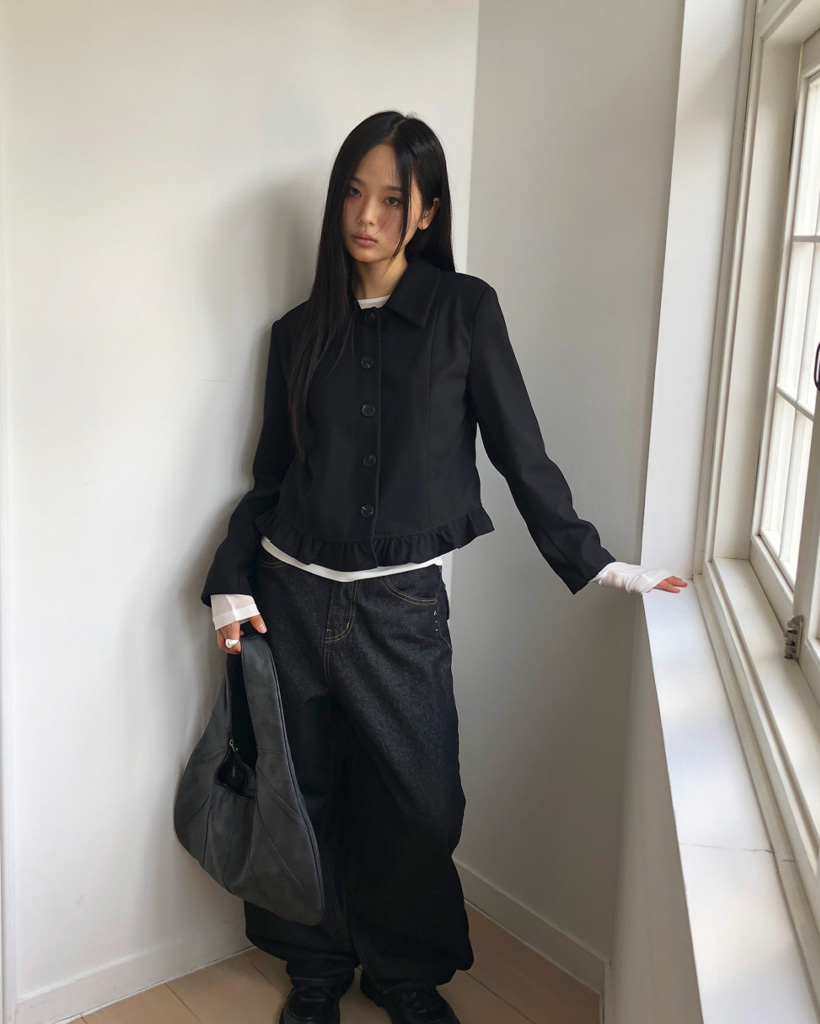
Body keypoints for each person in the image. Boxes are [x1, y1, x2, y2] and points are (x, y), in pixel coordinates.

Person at [199, 110, 687, 1024]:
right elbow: (270, 480)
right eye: (354, 193)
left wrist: (599, 564)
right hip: (289, 602)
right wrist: (231, 578)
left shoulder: (465, 311)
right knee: (304, 794)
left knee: (418, 801)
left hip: (401, 609)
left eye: (392, 199)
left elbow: (519, 451)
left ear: (427, 211)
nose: (366, 216)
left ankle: (403, 974)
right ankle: (317, 971)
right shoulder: (297, 333)